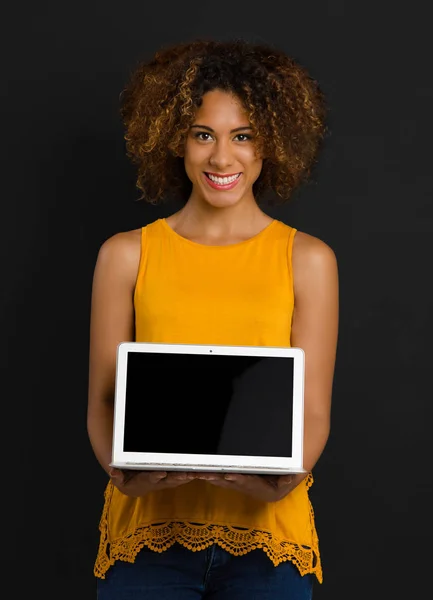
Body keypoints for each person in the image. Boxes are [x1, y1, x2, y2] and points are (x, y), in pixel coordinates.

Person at [87, 37, 339, 599]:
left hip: (268, 541)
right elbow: (105, 401)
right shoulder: (126, 254)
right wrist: (123, 472)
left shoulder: (308, 260)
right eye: (204, 134)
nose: (222, 158)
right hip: (148, 539)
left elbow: (313, 409)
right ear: (174, 139)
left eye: (242, 135)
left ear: (271, 142)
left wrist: (281, 483)